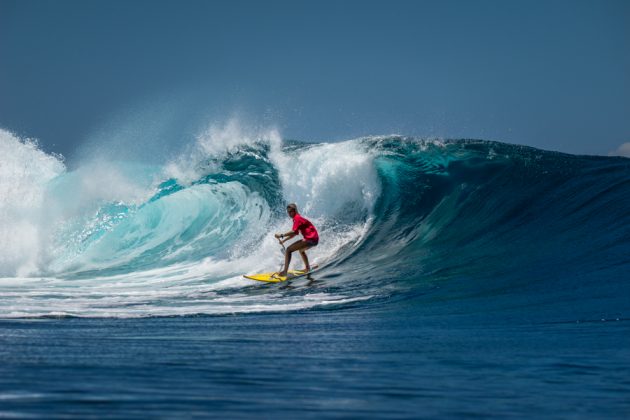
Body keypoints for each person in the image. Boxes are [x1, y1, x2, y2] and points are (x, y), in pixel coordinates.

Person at [274, 203, 319, 277]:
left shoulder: (297, 218)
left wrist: (281, 235)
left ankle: (285, 272)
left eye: (290, 212)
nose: (289, 214)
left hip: (310, 239)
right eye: (288, 212)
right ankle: (307, 268)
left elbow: (293, 231)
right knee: (301, 250)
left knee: (288, 250)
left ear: (294, 211)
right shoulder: (298, 218)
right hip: (314, 239)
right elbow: (295, 233)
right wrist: (284, 240)